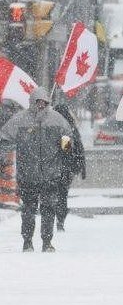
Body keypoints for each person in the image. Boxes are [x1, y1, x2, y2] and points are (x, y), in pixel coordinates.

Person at [0, 88, 72, 252]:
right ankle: (27, 242)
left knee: (48, 210)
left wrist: (66, 148)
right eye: (38, 102)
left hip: (51, 174)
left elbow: (68, 137)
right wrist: (2, 158)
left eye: (44, 102)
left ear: (47, 102)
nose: (41, 105)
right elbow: (4, 139)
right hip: (28, 175)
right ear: (32, 102)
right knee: (28, 210)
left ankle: (47, 242)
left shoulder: (57, 119)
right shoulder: (19, 120)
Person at [53, 104, 86, 232]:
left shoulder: (57, 127)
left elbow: (66, 149)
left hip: (56, 168)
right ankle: (60, 220)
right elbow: (78, 148)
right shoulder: (70, 127)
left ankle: (56, 218)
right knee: (62, 195)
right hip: (65, 169)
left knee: (55, 195)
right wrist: (81, 167)